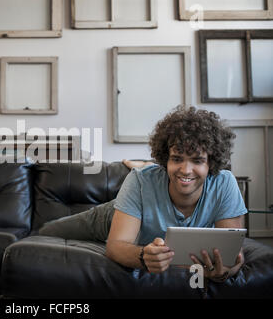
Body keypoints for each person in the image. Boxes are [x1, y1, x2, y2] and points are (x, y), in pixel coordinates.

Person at [105, 105, 247, 283]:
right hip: (113, 215)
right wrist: (142, 256)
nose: (186, 170)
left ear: (211, 163)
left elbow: (234, 256)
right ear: (165, 159)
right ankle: (143, 166)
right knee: (58, 227)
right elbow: (115, 246)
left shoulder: (224, 183)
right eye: (177, 159)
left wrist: (223, 272)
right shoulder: (138, 182)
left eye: (197, 160)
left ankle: (143, 165)